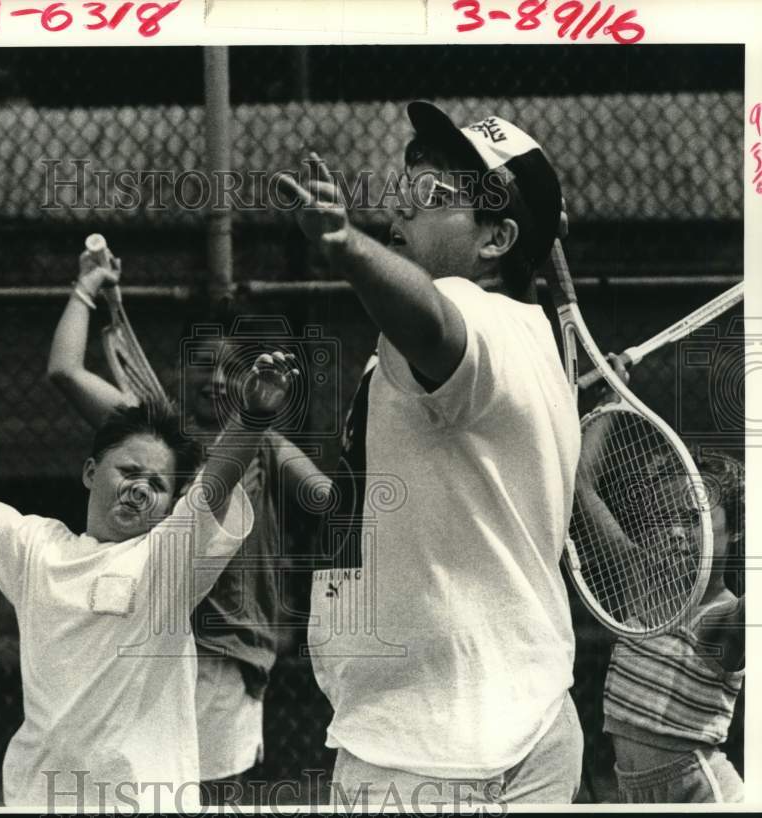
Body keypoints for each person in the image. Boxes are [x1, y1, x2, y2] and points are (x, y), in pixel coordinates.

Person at [0, 349, 299, 812]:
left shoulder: (169, 559)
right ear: (91, 473)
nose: (139, 488)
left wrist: (253, 418)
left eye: (157, 485)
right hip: (41, 797)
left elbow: (212, 487)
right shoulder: (36, 548)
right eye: (129, 472)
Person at [275, 102, 583, 806]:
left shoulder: (466, 320)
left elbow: (436, 318)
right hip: (524, 719)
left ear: (495, 240)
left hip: (432, 752)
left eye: (431, 199)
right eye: (403, 196)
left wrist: (344, 245)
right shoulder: (529, 340)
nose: (399, 216)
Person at [47, 252, 331, 803]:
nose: (218, 379)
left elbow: (325, 496)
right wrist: (86, 288)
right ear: (182, 368)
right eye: (204, 363)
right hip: (152, 646)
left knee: (212, 796)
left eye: (234, 367)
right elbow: (64, 371)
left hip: (228, 656)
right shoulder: (158, 440)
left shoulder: (263, 444)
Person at [595, 438, 746, 804]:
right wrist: (604, 401)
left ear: (738, 527)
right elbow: (583, 485)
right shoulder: (640, 580)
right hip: (632, 793)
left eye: (694, 519)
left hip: (703, 795)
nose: (676, 531)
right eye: (666, 518)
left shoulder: (724, 618)